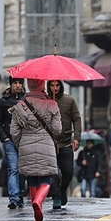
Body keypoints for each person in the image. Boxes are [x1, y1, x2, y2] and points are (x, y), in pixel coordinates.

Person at [10, 78, 62, 221]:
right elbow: (57, 130)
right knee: (46, 178)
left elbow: (14, 131)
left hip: (26, 144)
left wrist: (22, 144)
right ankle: (38, 201)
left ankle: (36, 218)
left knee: (31, 178)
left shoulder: (20, 105)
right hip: (46, 144)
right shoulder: (52, 104)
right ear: (43, 85)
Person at [47, 80, 82, 209]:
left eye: (57, 85)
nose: (54, 88)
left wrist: (77, 137)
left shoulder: (69, 100)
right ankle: (56, 196)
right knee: (53, 172)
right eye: (51, 85)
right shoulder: (45, 101)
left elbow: (76, 119)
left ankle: (62, 189)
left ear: (61, 86)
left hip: (66, 141)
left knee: (68, 171)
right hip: (49, 142)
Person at [0, 75, 27, 209]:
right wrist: (4, 137)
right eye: (15, 83)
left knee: (22, 170)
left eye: (20, 83)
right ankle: (13, 198)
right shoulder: (3, 101)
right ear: (11, 85)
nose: (18, 85)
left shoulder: (27, 100)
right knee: (13, 168)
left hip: (25, 140)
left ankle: (20, 196)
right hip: (9, 140)